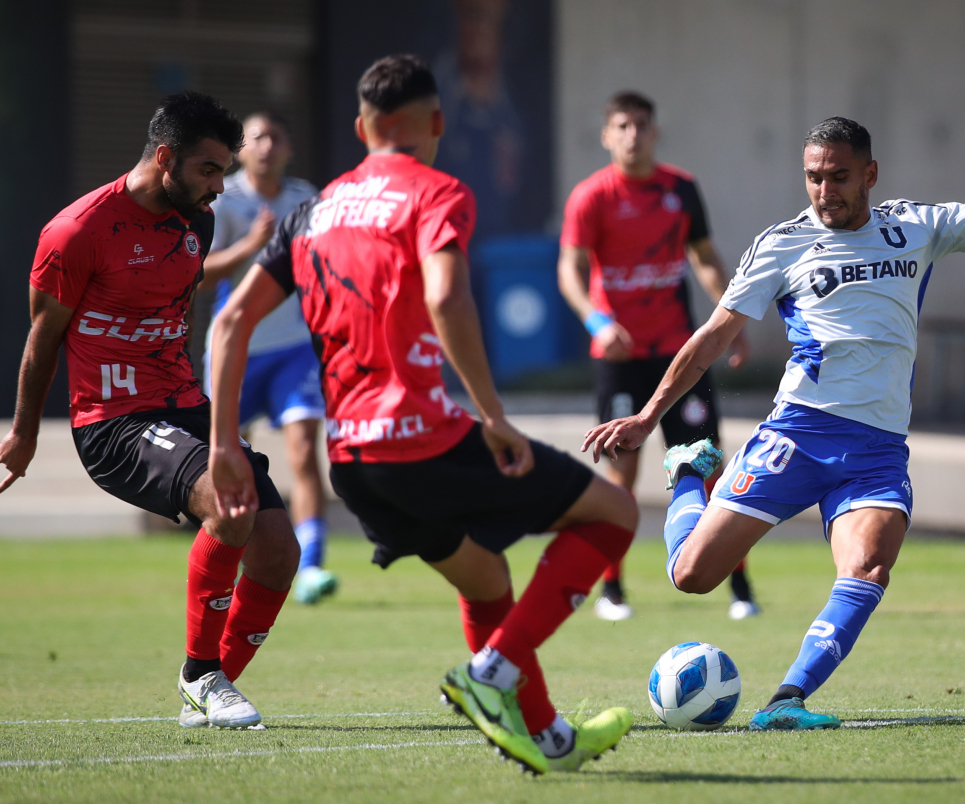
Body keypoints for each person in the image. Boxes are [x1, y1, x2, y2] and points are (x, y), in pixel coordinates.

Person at [584, 117, 965, 730]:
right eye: (814, 178)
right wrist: (648, 417)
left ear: (870, 174)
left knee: (869, 568)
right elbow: (710, 340)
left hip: (877, 449)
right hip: (797, 434)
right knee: (691, 576)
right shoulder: (782, 244)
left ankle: (787, 700)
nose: (825, 191)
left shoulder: (916, 226)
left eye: (839, 177)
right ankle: (689, 474)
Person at [208, 55, 638, 774]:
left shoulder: (309, 212)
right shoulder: (437, 192)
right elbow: (446, 298)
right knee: (614, 515)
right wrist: (493, 416)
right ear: (435, 123)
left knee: (486, 580)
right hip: (420, 442)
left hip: (351, 461)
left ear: (361, 127)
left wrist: (225, 445)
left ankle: (550, 737)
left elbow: (227, 327)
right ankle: (491, 671)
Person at [0, 92, 300, 731]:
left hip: (185, 406)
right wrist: (24, 432)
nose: (220, 187)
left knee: (277, 550)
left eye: (223, 171)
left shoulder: (198, 218)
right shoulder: (75, 231)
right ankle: (201, 678)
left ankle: (210, 686)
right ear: (166, 158)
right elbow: (42, 338)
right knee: (228, 501)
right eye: (208, 170)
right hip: (113, 422)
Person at [557, 90, 760, 621]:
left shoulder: (680, 189)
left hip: (680, 355)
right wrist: (598, 321)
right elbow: (570, 270)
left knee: (707, 466)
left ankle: (739, 590)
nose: (632, 135)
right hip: (619, 357)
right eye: (621, 126)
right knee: (621, 475)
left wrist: (729, 318)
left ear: (655, 131)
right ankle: (613, 589)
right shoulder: (591, 196)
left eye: (641, 125)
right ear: (606, 135)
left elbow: (706, 258)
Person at [201, 110, 338, 605]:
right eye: (257, 137)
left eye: (276, 137)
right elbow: (199, 273)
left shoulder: (308, 199)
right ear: (241, 150)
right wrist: (255, 246)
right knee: (232, 459)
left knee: (303, 449)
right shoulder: (223, 198)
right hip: (236, 347)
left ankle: (314, 565)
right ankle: (230, 560)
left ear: (289, 149)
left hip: (295, 351)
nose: (266, 146)